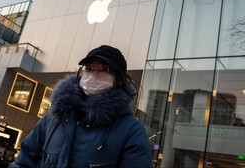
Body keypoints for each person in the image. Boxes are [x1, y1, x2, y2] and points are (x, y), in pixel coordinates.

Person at [9, 45, 153, 168]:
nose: (93, 74)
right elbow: (24, 160)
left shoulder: (131, 130)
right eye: (89, 68)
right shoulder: (56, 116)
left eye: (104, 70)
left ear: (119, 80)